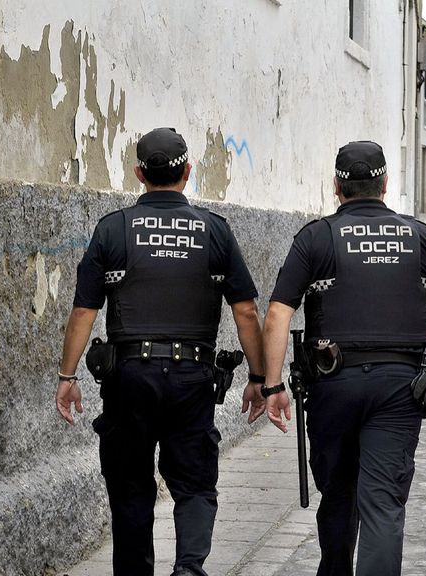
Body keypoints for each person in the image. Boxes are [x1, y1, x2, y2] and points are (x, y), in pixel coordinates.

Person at [55, 127, 267, 576]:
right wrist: (259, 379)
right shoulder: (214, 231)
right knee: (193, 482)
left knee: (130, 487)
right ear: (187, 173)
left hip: (129, 376)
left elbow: (83, 312)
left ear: (139, 173)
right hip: (193, 378)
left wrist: (67, 377)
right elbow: (246, 312)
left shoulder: (113, 229)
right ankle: (190, 568)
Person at [261, 141, 426, 576]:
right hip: (400, 388)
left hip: (332, 385)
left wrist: (272, 385)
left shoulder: (316, 237)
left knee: (338, 495)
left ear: (337, 185)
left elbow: (278, 313)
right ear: (385, 184)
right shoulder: (420, 235)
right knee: (382, 502)